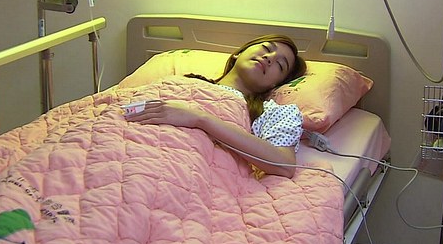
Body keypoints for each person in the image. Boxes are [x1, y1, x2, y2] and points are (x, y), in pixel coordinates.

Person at [125, 35, 307, 178]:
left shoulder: (269, 112)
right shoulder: (181, 81)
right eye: (266, 48)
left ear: (274, 85)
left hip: (183, 168)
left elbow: (284, 165)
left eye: (280, 65)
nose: (269, 58)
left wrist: (200, 119)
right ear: (238, 53)